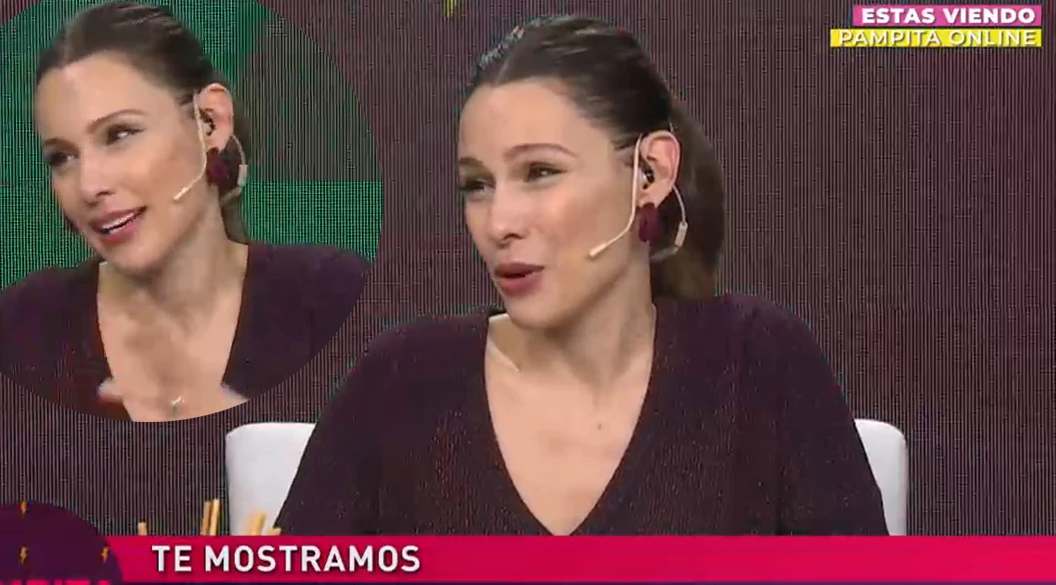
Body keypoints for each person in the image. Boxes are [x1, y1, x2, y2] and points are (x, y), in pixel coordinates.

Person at [276, 16, 887, 535]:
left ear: (650, 173)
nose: (499, 223)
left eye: (540, 172)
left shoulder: (759, 366)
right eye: (477, 185)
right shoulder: (402, 383)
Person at [0, 2, 368, 421]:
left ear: (210, 121)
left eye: (119, 134)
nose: (88, 185)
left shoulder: (333, 301)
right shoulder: (20, 331)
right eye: (62, 157)